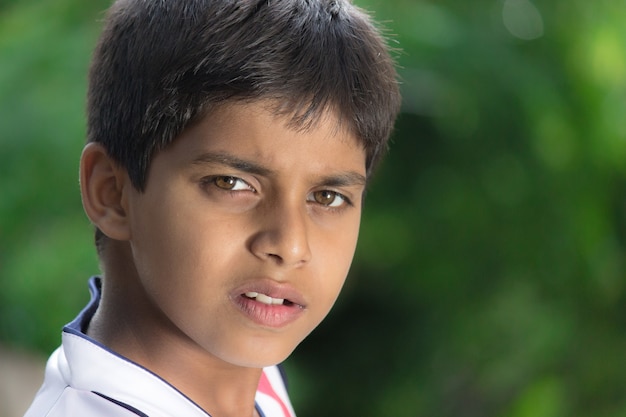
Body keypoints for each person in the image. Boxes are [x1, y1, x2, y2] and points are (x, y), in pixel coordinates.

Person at [24, 0, 400, 416]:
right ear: (112, 192)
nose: (290, 245)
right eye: (232, 184)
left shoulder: (254, 378)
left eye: (326, 197)